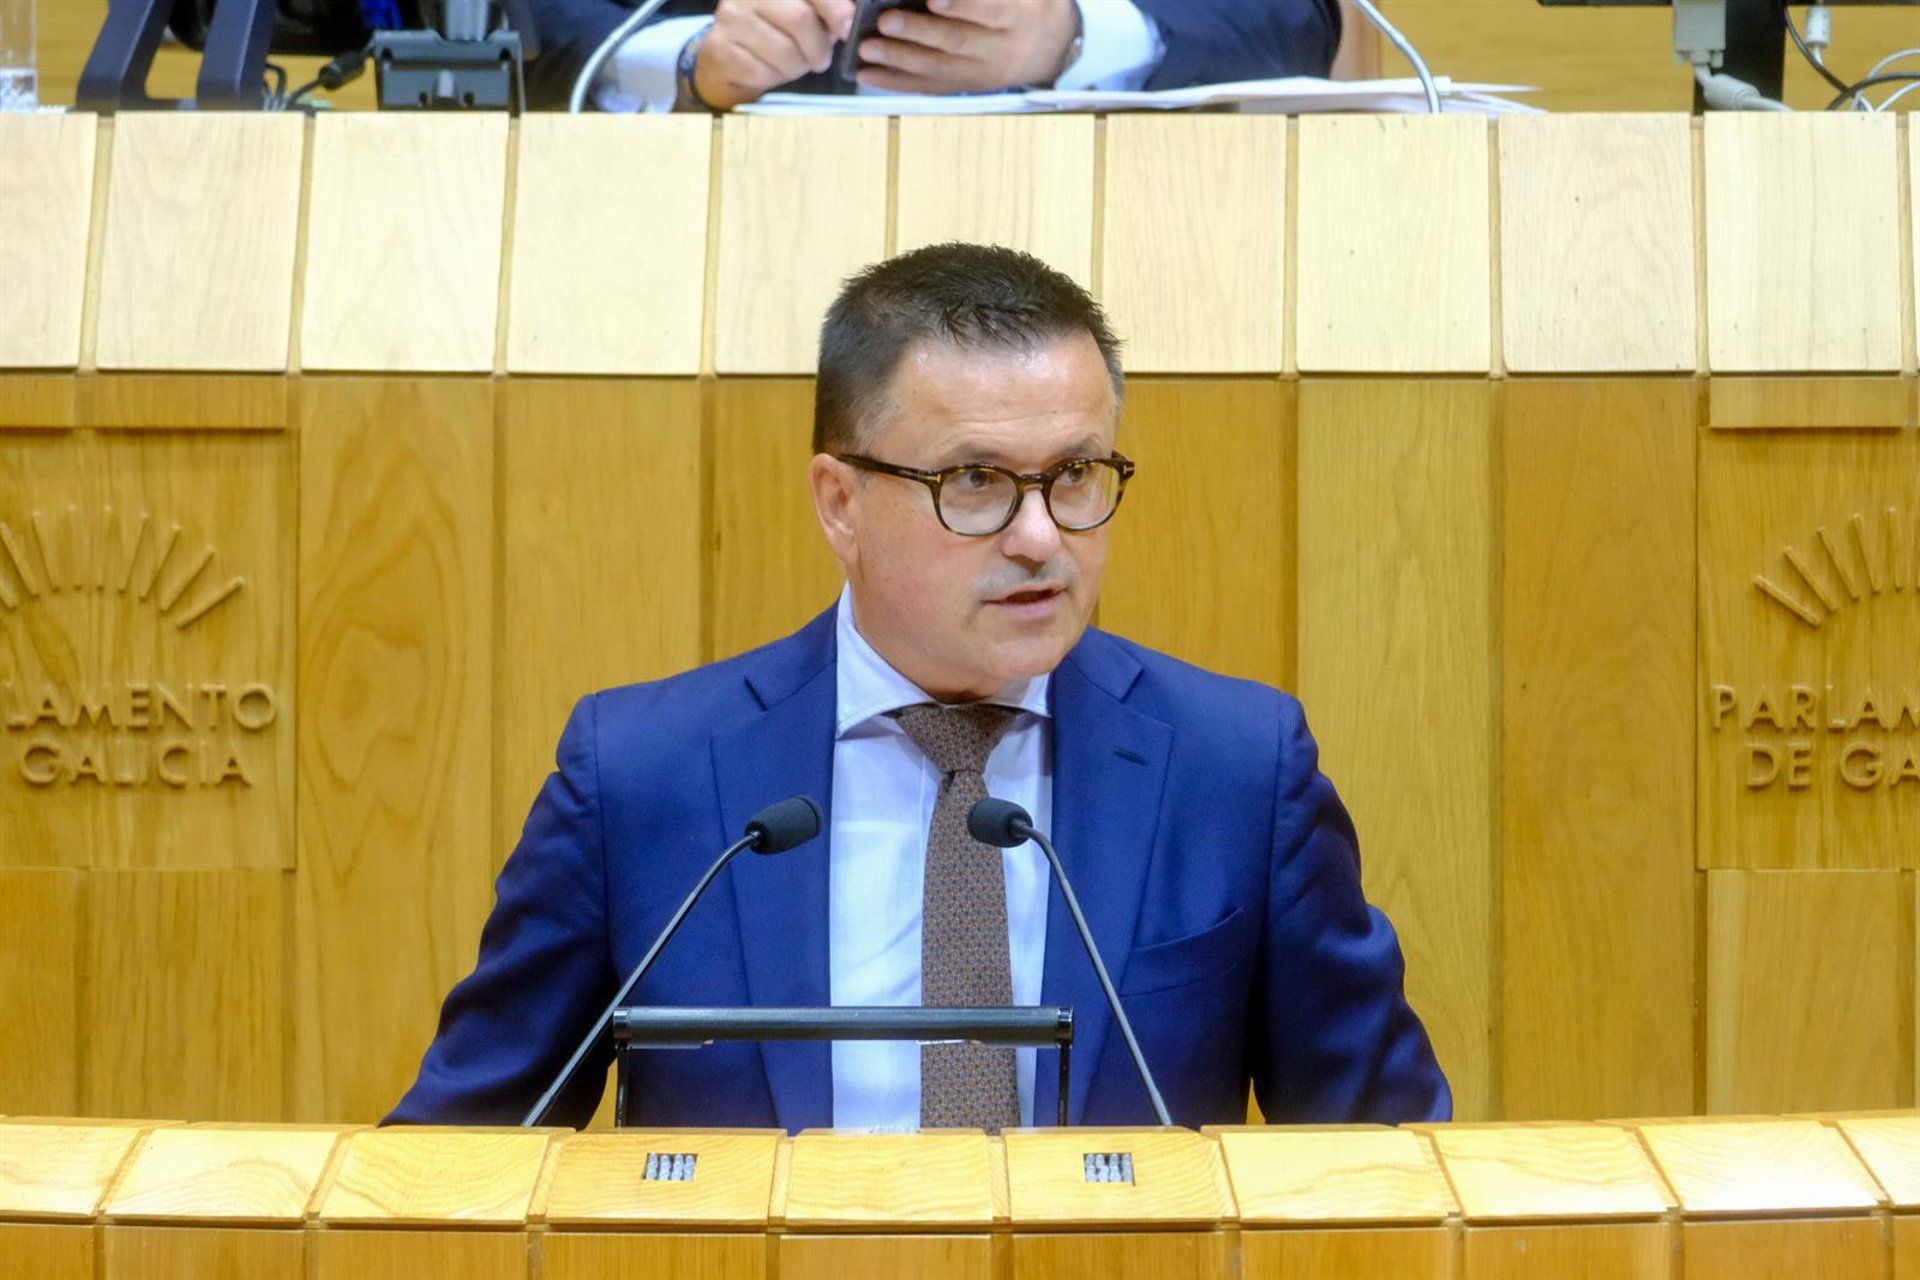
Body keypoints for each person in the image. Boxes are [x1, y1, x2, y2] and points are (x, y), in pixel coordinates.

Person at [390, 242, 1448, 1133]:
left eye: (1075, 475)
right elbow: (457, 1162)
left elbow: (1390, 1167)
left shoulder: (1236, 769)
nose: (1041, 537)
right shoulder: (641, 778)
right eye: (976, 481)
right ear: (839, 502)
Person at [528, 0, 1342, 111]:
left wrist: (1072, 35)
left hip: (1107, 235)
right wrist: (690, 61)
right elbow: (519, 25)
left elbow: (1290, 23)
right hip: (723, 227)